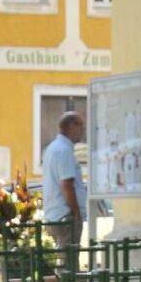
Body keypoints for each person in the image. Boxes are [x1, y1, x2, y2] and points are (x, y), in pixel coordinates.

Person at [41, 112, 86, 270]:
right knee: (69, 264)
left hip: (54, 214)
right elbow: (67, 184)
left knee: (63, 262)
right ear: (71, 126)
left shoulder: (52, 148)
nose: (83, 129)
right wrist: (76, 213)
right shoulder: (64, 150)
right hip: (66, 216)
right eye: (80, 125)